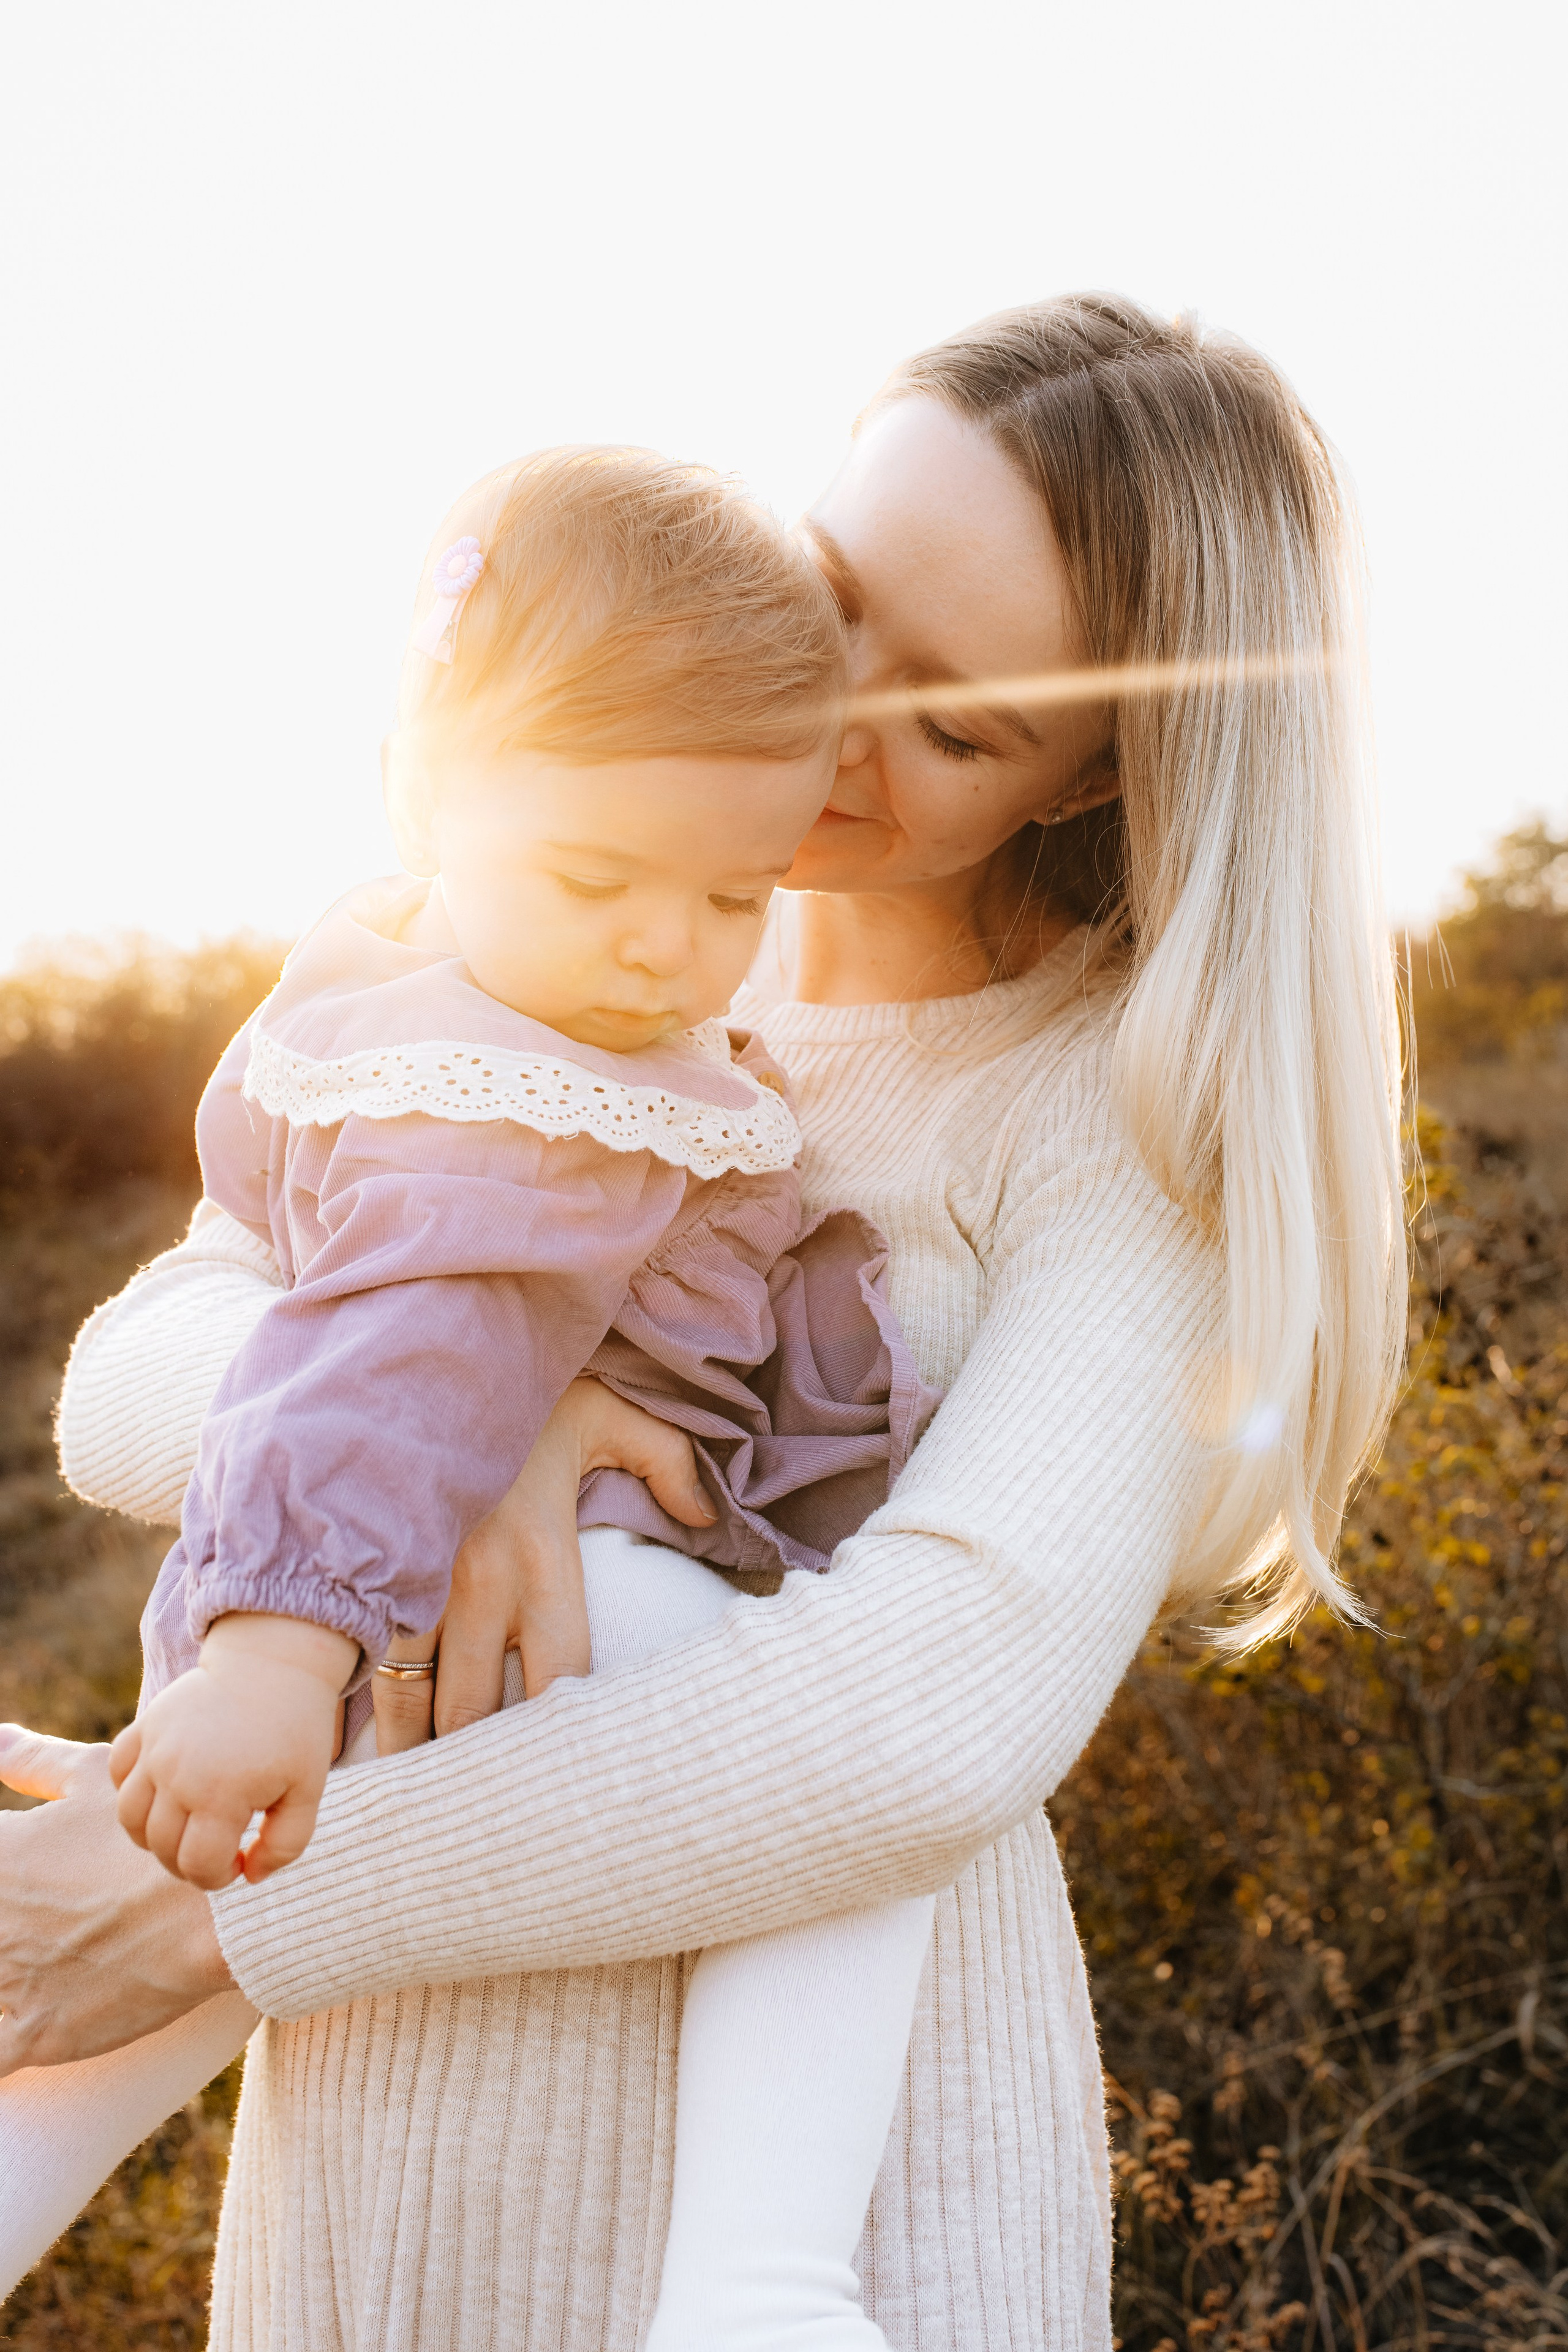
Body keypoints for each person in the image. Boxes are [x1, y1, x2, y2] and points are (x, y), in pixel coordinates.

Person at [2, 293, 1406, 2351]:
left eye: (960, 722)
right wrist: (480, 1410)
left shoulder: (1109, 1120)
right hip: (397, 2175)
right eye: (832, 600)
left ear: (1103, 774)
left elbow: (923, 1724)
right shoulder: (491, 932)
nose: (835, 724)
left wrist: (234, 1907)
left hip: (832, 2221)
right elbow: (131, 1373)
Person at [15, 445, 949, 2352]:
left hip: (407, 1605)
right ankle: (765, 2285)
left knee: (136, 2010)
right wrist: (277, 1654)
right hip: (590, 1604)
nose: (660, 949)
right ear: (425, 790)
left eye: (728, 892)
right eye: (596, 877)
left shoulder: (389, 999)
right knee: (861, 1833)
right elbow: (387, 1359)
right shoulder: (514, 1095)